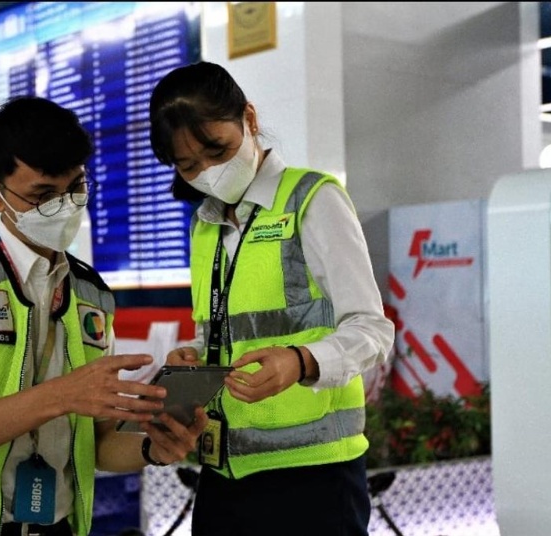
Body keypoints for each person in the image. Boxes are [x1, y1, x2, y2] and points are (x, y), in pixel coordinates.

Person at [0, 96, 207, 536]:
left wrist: (154, 448)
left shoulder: (90, 292)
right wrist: (60, 396)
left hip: (58, 526)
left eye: (75, 188)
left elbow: (98, 444)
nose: (65, 206)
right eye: (43, 194)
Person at [149, 61, 395, 535]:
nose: (207, 172)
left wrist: (300, 362)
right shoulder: (205, 226)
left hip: (313, 477)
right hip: (224, 473)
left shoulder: (312, 199)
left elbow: (372, 328)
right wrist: (196, 357)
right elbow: (227, 330)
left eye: (216, 150)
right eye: (187, 165)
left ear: (250, 119)